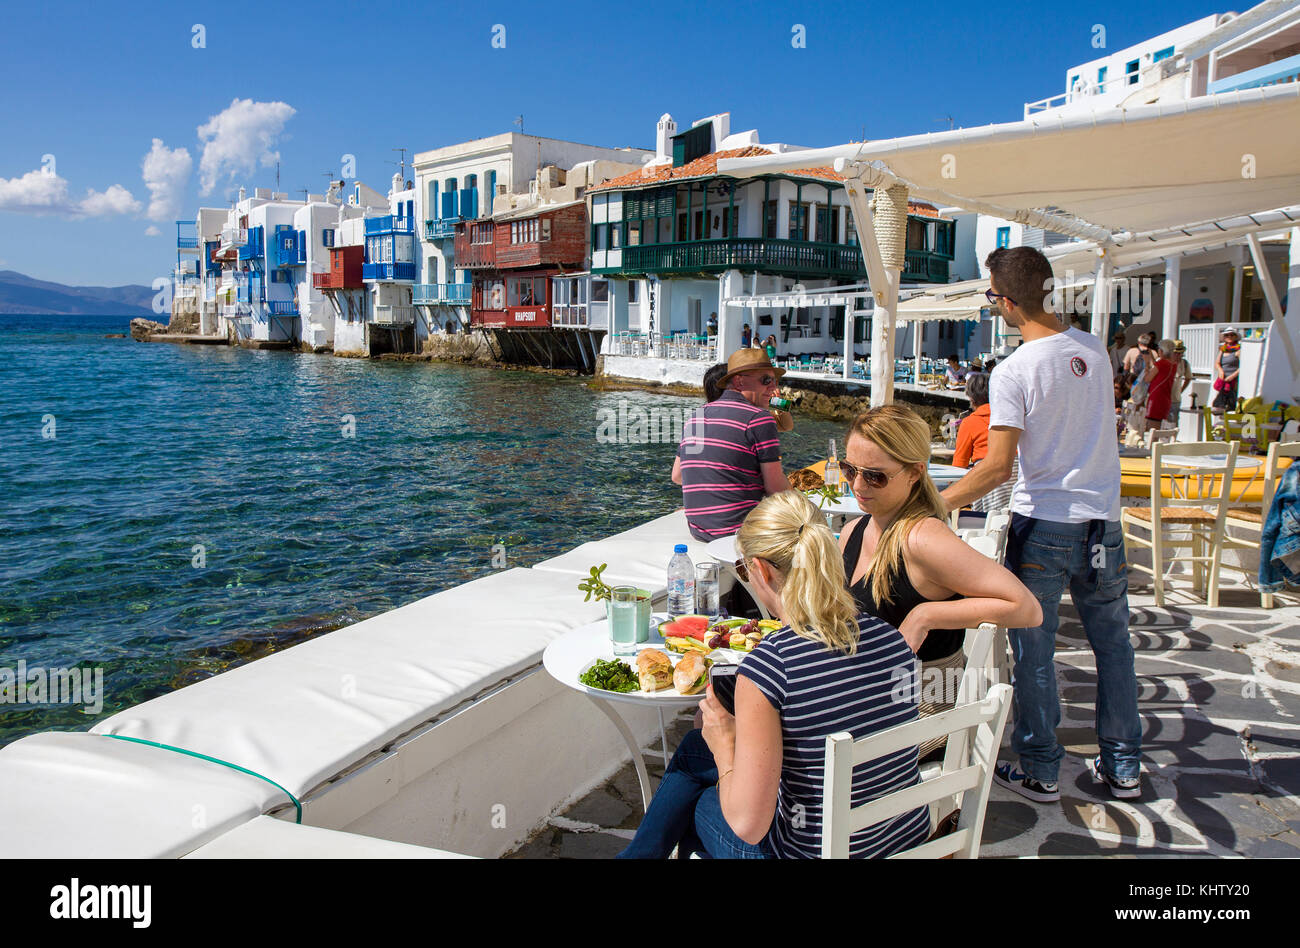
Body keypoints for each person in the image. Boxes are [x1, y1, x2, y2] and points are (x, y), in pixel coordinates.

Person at [618, 491, 932, 859]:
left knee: (700, 803)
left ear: (762, 570)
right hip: (902, 839)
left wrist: (723, 745)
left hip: (814, 851)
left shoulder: (769, 667)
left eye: (743, 569)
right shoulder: (892, 637)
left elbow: (748, 826)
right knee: (694, 751)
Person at [940, 245, 1141, 803]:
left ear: (1004, 301)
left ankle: (1041, 768)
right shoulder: (1095, 350)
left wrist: (935, 501)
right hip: (1102, 524)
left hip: (1044, 527)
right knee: (1114, 646)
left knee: (1034, 649)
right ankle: (1123, 767)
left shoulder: (1013, 370)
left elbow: (997, 469)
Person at [839, 405, 1041, 757]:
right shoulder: (853, 531)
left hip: (916, 716)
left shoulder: (923, 540)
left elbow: (1026, 608)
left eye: (875, 476)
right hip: (868, 699)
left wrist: (926, 616)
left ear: (915, 473)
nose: (857, 485)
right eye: (850, 469)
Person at [672, 349, 790, 540]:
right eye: (766, 380)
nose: (773, 386)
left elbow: (677, 476)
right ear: (739, 381)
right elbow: (775, 488)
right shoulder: (760, 418)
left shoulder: (696, 417)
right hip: (740, 532)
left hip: (698, 530)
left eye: (775, 381)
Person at [953, 372, 991, 469]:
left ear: (971, 398)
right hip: (1019, 476)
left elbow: (959, 464)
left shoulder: (970, 422)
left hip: (986, 475)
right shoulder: (1011, 418)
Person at [1142, 339, 1178, 433]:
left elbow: (1147, 379)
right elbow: (1160, 368)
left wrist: (1146, 364)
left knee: (1152, 429)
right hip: (1165, 399)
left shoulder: (1161, 364)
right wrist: (1152, 359)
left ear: (1161, 351)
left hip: (1156, 399)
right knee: (1158, 428)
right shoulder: (1173, 365)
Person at [1213, 327, 1241, 413]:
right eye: (1227, 335)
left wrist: (1232, 376)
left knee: (1231, 404)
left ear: (1235, 337)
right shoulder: (1223, 349)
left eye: (1232, 335)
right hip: (1223, 381)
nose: (1229, 336)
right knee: (1220, 403)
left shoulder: (1238, 350)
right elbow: (1217, 363)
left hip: (1233, 382)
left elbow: (1242, 367)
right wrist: (1220, 371)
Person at [1168, 339, 1192, 425]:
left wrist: (1181, 390)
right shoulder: (1164, 362)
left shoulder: (1184, 363)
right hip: (1163, 398)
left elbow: (1188, 378)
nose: (1178, 355)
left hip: (1175, 399)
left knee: (1173, 423)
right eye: (1175, 353)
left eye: (1180, 353)